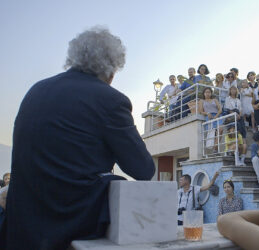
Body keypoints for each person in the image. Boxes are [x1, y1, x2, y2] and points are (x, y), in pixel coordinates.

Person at [0, 27, 155, 250]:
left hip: (23, 223)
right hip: (70, 221)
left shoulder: (36, 90)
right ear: (111, 69)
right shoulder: (111, 99)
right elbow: (143, 169)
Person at [199, 87, 223, 153]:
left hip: (217, 115)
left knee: (220, 130)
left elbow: (220, 109)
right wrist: (207, 113)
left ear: (211, 93)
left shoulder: (215, 100)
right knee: (213, 133)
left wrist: (216, 116)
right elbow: (201, 111)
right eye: (206, 92)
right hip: (209, 117)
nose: (207, 93)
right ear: (204, 93)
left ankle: (215, 148)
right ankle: (215, 149)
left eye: (209, 92)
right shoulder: (201, 101)